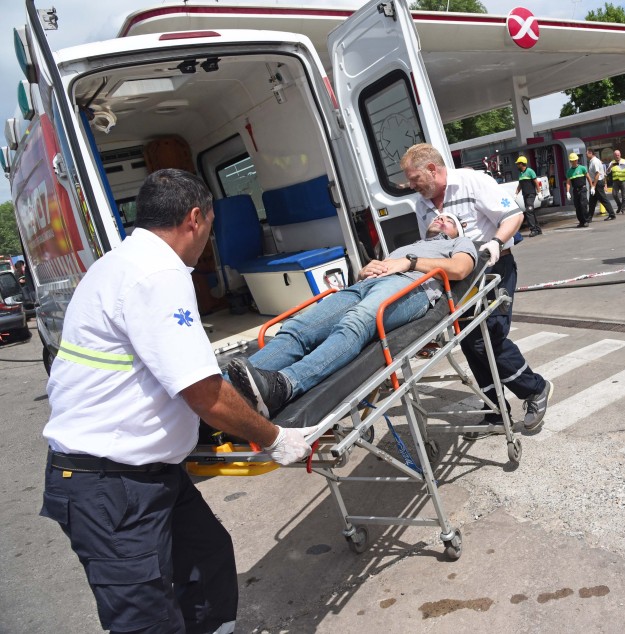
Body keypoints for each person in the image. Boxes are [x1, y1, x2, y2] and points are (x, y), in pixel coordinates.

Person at [40, 169, 315, 634]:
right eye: (209, 225)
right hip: (110, 486)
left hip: (143, 476)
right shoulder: (158, 275)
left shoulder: (118, 263)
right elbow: (204, 393)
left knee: (206, 567)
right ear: (194, 218)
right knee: (147, 621)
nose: (208, 237)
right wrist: (275, 438)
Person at [227, 213, 476, 417]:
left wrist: (409, 263)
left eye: (449, 220)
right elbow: (378, 270)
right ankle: (223, 389)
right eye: (438, 217)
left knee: (356, 322)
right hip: (364, 285)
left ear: (458, 232)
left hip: (411, 287)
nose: (441, 219)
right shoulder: (410, 246)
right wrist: (365, 271)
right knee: (298, 328)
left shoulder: (459, 244)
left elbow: (460, 269)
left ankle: (284, 386)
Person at [400, 143, 553, 437]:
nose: (411, 185)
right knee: (471, 343)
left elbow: (513, 216)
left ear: (432, 169)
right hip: (461, 279)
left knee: (490, 336)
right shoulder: (422, 205)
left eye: (414, 178)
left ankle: (535, 389)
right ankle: (494, 413)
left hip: (495, 269)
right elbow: (432, 247)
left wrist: (495, 241)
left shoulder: (474, 182)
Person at [514, 156, 544, 236]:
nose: (517, 165)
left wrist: (539, 193)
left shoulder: (530, 171)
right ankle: (538, 229)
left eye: (518, 164)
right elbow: (520, 184)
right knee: (531, 212)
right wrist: (516, 193)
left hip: (531, 194)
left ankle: (533, 230)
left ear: (522, 164)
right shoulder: (520, 174)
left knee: (528, 211)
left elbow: (536, 183)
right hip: (525, 195)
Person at [586, 148, 616, 221]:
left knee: (603, 199)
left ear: (590, 153)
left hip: (597, 183)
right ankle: (589, 217)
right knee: (592, 202)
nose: (586, 155)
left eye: (587, 153)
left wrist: (593, 186)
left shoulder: (595, 162)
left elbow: (597, 174)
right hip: (596, 183)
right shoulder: (592, 161)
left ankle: (612, 214)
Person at [565, 152, 590, 227]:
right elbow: (568, 182)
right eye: (572, 161)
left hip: (582, 189)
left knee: (583, 205)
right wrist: (567, 192)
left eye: (575, 160)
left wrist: (592, 187)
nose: (573, 162)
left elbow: (588, 177)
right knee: (577, 206)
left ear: (577, 160)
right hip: (575, 190)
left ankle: (586, 220)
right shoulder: (569, 171)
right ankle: (581, 221)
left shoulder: (582, 168)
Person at [607, 149, 625, 215]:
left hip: (623, 181)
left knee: (624, 196)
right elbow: (607, 172)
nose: (617, 156)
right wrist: (610, 167)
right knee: (614, 194)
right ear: (614, 155)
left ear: (620, 155)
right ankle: (619, 205)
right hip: (616, 181)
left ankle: (623, 209)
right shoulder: (612, 162)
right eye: (616, 155)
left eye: (618, 155)